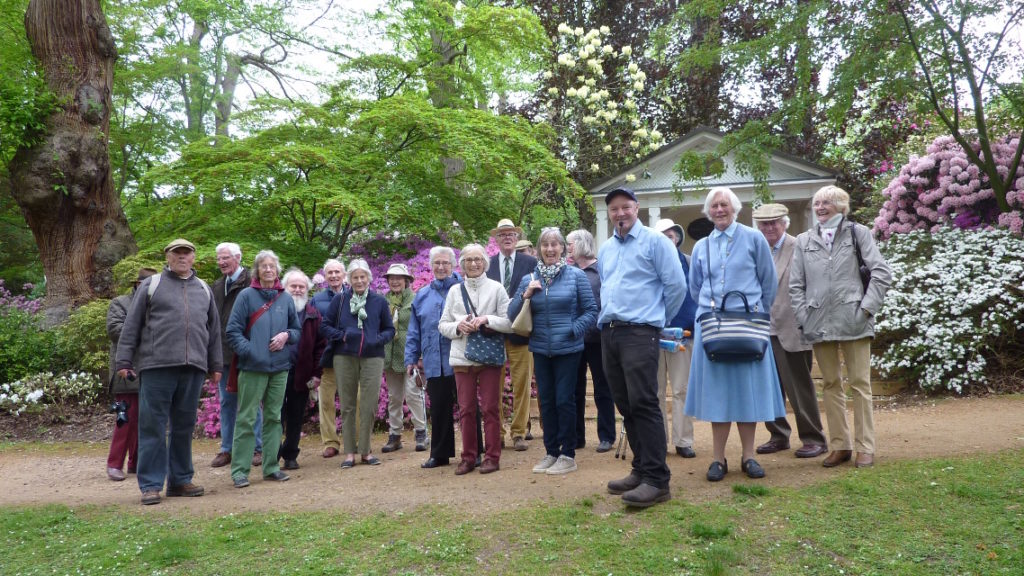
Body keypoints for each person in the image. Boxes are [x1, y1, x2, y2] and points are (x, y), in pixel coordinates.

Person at [684, 187, 787, 482]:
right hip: (713, 328)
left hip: (748, 327)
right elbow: (695, 286)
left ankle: (749, 456)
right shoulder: (702, 246)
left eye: (724, 205)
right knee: (718, 395)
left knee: (747, 393)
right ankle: (718, 460)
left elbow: (769, 281)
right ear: (708, 211)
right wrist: (711, 311)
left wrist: (756, 314)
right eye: (714, 206)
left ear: (735, 208)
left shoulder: (754, 238)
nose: (719, 210)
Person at [790, 185, 892, 469]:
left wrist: (867, 308)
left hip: (854, 320)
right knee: (831, 385)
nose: (820, 208)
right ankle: (840, 445)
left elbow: (881, 272)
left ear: (841, 206)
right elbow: (795, 285)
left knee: (860, 385)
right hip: (819, 323)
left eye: (827, 203)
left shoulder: (858, 233)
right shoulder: (803, 240)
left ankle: (865, 447)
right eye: (817, 203)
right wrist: (804, 316)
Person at [115, 238, 222, 505]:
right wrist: (124, 361)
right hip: (156, 366)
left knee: (184, 427)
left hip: (193, 367)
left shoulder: (204, 290)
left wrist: (216, 365)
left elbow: (214, 332)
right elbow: (131, 326)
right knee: (153, 426)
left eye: (187, 253)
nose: (182, 257)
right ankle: (151, 485)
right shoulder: (152, 286)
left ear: (194, 258)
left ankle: (180, 480)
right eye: (177, 254)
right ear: (168, 257)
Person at [598, 188, 687, 507]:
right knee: (625, 403)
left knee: (645, 402)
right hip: (610, 333)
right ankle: (640, 468)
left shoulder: (656, 242)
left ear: (637, 208)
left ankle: (657, 480)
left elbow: (676, 286)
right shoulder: (606, 249)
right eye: (614, 209)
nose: (620, 213)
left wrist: (655, 320)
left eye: (626, 207)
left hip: (640, 333)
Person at [509, 228, 597, 475]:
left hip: (568, 349)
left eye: (554, 244)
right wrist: (526, 295)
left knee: (564, 401)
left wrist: (573, 330)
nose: (550, 249)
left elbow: (591, 310)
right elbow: (511, 314)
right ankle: (551, 452)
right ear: (538, 250)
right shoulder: (529, 279)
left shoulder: (577, 276)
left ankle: (568, 454)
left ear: (563, 249)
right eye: (545, 245)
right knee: (546, 402)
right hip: (540, 348)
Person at [751, 204, 828, 459]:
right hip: (762, 330)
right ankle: (778, 435)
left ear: (785, 223)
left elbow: (817, 285)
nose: (769, 228)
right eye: (764, 224)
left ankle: (813, 438)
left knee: (799, 387)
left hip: (793, 328)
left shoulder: (800, 246)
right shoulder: (755, 249)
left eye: (774, 223)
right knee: (768, 387)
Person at [225, 250, 300, 488]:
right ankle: (240, 471)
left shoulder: (286, 299)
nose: (268, 270)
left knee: (274, 418)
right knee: (247, 419)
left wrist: (286, 335)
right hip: (252, 368)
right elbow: (232, 331)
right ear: (257, 270)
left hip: (279, 368)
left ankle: (271, 467)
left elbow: (297, 331)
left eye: (272, 266)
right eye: (264, 266)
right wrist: (252, 351)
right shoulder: (246, 296)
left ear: (277, 270)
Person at [439, 243, 513, 475]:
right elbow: (442, 325)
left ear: (485, 263)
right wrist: (458, 326)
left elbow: (510, 322)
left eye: (478, 259)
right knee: (466, 409)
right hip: (462, 357)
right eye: (469, 260)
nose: (473, 263)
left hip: (489, 357)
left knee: (491, 408)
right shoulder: (454, 291)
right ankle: (469, 457)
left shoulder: (497, 288)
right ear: (462, 265)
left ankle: (492, 457)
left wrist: (486, 320)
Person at [322, 259, 395, 469]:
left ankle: (366, 450)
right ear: (349, 279)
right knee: (347, 405)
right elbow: (325, 326)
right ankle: (349, 453)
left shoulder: (379, 302)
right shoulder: (340, 300)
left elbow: (390, 330)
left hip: (373, 357)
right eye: (355, 277)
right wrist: (343, 336)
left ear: (369, 279)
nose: (359, 280)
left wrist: (376, 340)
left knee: (369, 404)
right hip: (344, 356)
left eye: (363, 277)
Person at [406, 247, 462, 468]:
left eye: (445, 263)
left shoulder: (461, 290)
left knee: (467, 407)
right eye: (437, 263)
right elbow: (414, 331)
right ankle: (439, 454)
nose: (441, 267)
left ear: (453, 265)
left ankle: (474, 452)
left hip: (459, 359)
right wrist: (411, 358)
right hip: (433, 361)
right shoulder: (422, 295)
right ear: (431, 265)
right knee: (438, 407)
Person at [486, 218, 537, 451]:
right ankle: (498, 433)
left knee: (522, 385)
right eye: (502, 234)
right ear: (496, 239)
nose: (507, 237)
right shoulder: (487, 264)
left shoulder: (530, 262)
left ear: (517, 238)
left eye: (511, 234)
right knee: (493, 386)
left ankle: (518, 432)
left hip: (521, 332)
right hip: (494, 333)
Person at [210, 242, 263, 469]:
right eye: (219, 259)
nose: (222, 262)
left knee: (251, 402)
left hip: (247, 353)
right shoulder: (216, 286)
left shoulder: (252, 283)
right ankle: (227, 449)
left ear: (238, 258)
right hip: (223, 354)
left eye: (226, 258)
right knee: (227, 402)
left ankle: (257, 447)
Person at [105, 267, 157, 481]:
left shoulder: (157, 306)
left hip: (151, 369)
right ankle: (114, 464)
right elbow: (115, 330)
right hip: (127, 372)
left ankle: (136, 462)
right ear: (137, 285)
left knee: (146, 420)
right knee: (124, 419)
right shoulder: (120, 303)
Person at [653, 218, 699, 459]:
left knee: (681, 388)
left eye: (671, 236)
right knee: (656, 391)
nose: (668, 241)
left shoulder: (690, 263)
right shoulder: (649, 265)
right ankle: (658, 440)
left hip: (683, 334)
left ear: (677, 238)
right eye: (663, 237)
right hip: (653, 334)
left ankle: (683, 440)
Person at [566, 229, 615, 454]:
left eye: (570, 244)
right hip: (574, 339)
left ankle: (606, 436)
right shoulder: (567, 271)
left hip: (599, 338)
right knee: (575, 389)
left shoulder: (602, 269)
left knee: (603, 388)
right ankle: (577, 437)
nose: (567, 248)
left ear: (582, 244)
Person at [277, 268, 326, 470]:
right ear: (285, 288)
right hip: (276, 371)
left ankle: (290, 455)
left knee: (296, 416)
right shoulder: (275, 311)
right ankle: (273, 454)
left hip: (302, 372)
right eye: (293, 286)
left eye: (301, 286)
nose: (297, 290)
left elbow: (320, 347)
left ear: (307, 290)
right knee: (274, 416)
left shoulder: (313, 315)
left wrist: (316, 374)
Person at [381, 263, 429, 453]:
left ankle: (421, 432)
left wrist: (422, 355)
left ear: (407, 281)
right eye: (391, 278)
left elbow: (423, 328)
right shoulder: (383, 301)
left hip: (410, 355)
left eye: (399, 278)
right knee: (394, 397)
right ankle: (395, 435)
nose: (395, 281)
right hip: (390, 356)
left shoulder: (416, 300)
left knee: (413, 394)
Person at [311, 258, 346, 458]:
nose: (333, 276)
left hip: (349, 357)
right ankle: (330, 442)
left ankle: (355, 439)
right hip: (326, 358)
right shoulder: (317, 299)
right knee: (326, 402)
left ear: (344, 275)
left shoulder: (353, 296)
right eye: (330, 272)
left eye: (337, 272)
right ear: (325, 276)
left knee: (354, 401)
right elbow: (313, 330)